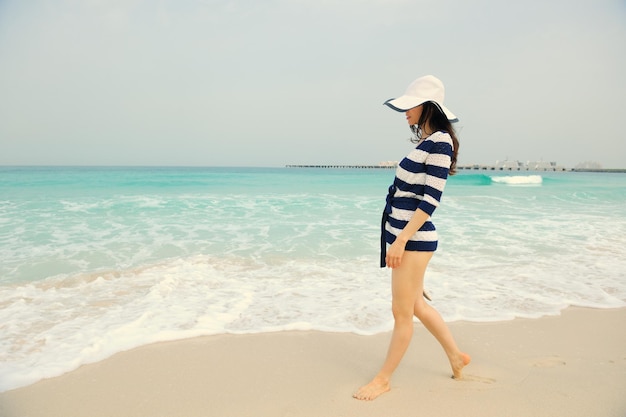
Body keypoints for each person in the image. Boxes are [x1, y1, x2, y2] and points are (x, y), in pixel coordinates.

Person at [353, 75, 470, 401]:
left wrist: (402, 241)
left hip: (413, 240)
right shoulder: (425, 142)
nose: (405, 113)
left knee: (401, 312)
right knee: (415, 304)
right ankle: (457, 357)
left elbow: (429, 201)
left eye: (410, 106)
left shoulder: (440, 143)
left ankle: (384, 379)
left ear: (427, 106)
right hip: (408, 242)